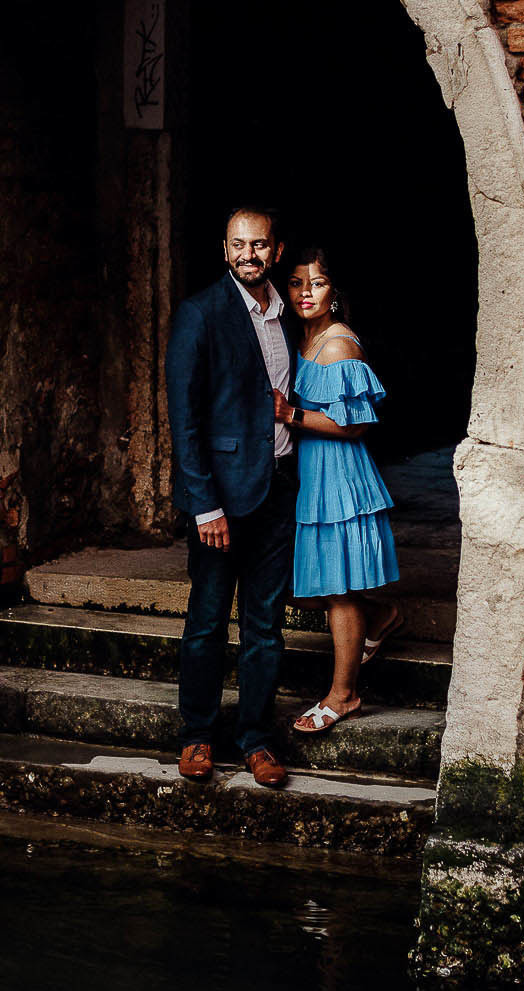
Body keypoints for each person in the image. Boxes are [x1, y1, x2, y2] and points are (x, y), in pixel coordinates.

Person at [164, 207, 299, 788]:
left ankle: (256, 741)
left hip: (278, 488)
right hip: (220, 499)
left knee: (266, 626)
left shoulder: (289, 315)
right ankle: (197, 735)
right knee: (207, 622)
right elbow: (185, 417)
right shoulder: (200, 314)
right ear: (225, 251)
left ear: (276, 250)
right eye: (239, 245)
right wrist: (204, 505)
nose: (249, 255)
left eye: (260, 245)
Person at [273, 248, 402, 735]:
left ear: (335, 292)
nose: (306, 292)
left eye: (319, 282)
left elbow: (355, 426)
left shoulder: (337, 345)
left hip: (337, 472)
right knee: (292, 585)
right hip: (307, 472)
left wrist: (292, 416)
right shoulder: (299, 338)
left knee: (336, 591)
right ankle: (382, 614)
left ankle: (343, 696)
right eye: (296, 283)